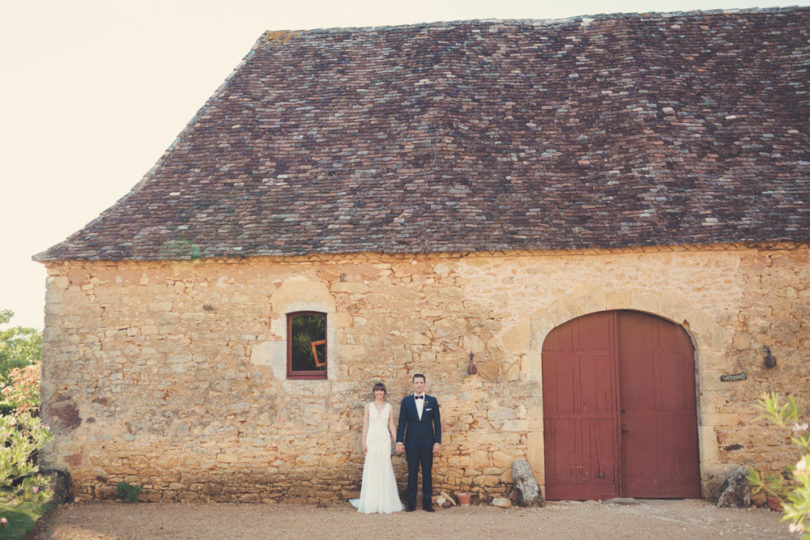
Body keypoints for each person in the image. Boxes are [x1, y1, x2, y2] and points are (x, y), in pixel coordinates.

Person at [350, 382, 404, 513]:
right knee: (372, 467)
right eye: (377, 391)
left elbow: (391, 425)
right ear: (374, 392)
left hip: (384, 440)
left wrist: (398, 441)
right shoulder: (368, 406)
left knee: (384, 467)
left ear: (384, 393)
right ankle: (371, 502)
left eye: (381, 391)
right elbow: (366, 424)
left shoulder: (389, 407)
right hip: (372, 439)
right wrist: (363, 442)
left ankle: (385, 501)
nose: (379, 393)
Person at [396, 373, 441, 512]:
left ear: (425, 384)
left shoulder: (432, 401)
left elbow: (437, 424)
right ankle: (411, 504)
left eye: (421, 382)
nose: (419, 384)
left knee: (427, 473)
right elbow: (402, 422)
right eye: (416, 382)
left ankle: (427, 504)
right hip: (411, 443)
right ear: (413, 384)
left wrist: (437, 442)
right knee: (412, 473)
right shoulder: (407, 401)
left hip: (428, 444)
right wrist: (399, 441)